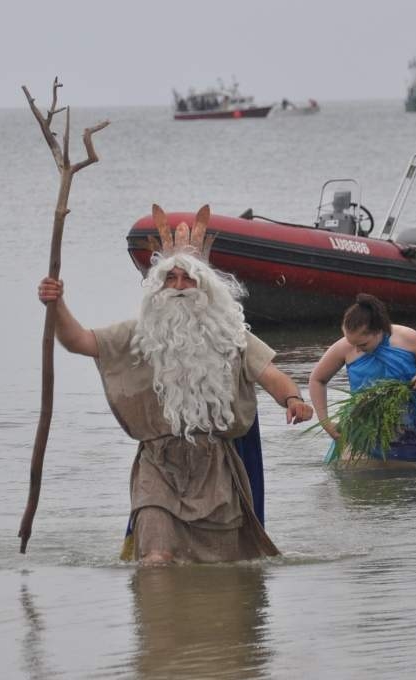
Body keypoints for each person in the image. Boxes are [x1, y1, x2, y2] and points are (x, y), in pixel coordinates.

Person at [37, 204, 313, 566]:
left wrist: (293, 398)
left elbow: (271, 375)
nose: (180, 287)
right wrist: (57, 305)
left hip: (214, 468)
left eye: (188, 280)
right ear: (159, 287)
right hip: (157, 464)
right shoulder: (139, 333)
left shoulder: (231, 336)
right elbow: (79, 341)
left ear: (206, 289)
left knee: (221, 569)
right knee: (155, 559)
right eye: (171, 279)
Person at [308, 294, 416, 462]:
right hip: (361, 425)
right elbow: (317, 379)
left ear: (379, 330)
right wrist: (325, 422)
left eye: (363, 344)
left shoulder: (408, 338)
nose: (357, 350)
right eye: (352, 343)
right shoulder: (344, 347)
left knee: (407, 480)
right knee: (357, 478)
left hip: (405, 424)